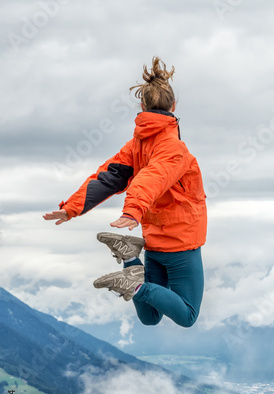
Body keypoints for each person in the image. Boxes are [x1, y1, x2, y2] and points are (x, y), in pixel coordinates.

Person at [43, 57, 207, 328]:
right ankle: (134, 280)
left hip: (152, 243)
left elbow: (108, 177)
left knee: (150, 318)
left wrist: (71, 207)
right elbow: (152, 178)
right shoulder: (175, 149)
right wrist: (133, 210)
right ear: (174, 107)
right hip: (182, 244)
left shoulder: (136, 146)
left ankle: (130, 259)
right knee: (188, 315)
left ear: (142, 107)